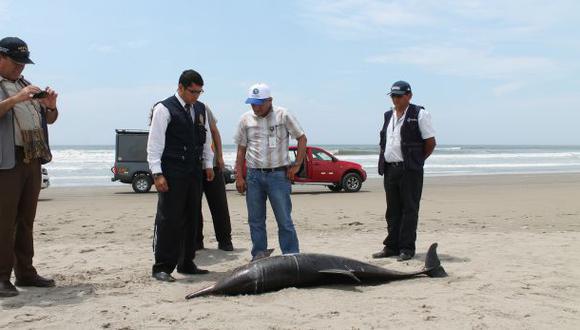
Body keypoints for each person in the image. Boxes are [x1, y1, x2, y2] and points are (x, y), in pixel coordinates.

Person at [0, 37, 59, 297]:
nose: (20, 68)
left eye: (23, 63)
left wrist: (51, 107)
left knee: (26, 220)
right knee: (4, 222)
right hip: (6, 161)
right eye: (16, 63)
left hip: (31, 158)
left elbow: (50, 120)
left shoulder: (25, 84)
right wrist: (17, 99)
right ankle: (2, 277)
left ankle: (25, 272)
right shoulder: (17, 89)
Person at [147, 69, 214, 282]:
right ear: (181, 88)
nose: (195, 96)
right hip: (172, 171)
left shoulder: (200, 109)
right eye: (192, 92)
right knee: (169, 218)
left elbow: (205, 139)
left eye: (199, 92)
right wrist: (157, 173)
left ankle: (186, 262)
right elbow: (154, 143)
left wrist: (209, 164)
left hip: (194, 170)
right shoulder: (164, 108)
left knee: (192, 217)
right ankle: (162, 267)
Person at [234, 83, 307, 261]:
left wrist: (297, 165)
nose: (255, 107)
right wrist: (239, 176)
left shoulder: (283, 115)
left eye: (259, 103)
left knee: (284, 220)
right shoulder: (245, 119)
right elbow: (241, 149)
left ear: (270, 100)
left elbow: (301, 138)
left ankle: (291, 256)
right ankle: (259, 256)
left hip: (278, 176)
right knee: (256, 221)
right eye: (252, 103)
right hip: (253, 176)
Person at [373, 81, 436, 261]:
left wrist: (416, 161)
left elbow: (430, 143)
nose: (395, 99)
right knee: (392, 210)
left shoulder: (420, 114)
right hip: (390, 169)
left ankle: (407, 248)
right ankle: (391, 246)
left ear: (409, 95)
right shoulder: (388, 115)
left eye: (399, 96)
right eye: (393, 96)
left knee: (409, 209)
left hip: (410, 170)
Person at [194, 107, 234, 252]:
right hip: (193, 166)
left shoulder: (203, 108)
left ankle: (225, 240)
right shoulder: (176, 109)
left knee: (219, 204)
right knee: (194, 206)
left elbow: (214, 131)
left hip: (213, 164)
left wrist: (220, 156)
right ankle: (197, 241)